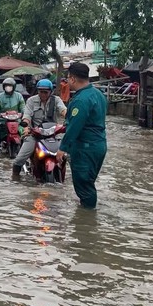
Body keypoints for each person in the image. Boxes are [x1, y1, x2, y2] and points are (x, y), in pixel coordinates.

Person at [56, 62, 107, 208]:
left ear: (72, 79)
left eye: (67, 79)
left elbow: (74, 127)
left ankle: (87, 224)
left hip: (85, 148)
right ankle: (86, 211)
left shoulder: (81, 100)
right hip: (99, 145)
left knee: (84, 187)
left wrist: (62, 148)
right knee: (88, 184)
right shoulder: (98, 94)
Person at [11, 78, 67, 180]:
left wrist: (68, 116)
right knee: (19, 159)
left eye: (45, 92)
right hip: (35, 135)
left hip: (53, 135)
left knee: (69, 154)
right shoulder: (31, 101)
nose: (43, 94)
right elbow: (27, 115)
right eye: (41, 91)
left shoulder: (56, 100)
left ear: (51, 91)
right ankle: (15, 177)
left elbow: (63, 110)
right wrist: (26, 124)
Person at [0, 77, 26, 154]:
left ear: (14, 87)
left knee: (24, 136)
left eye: (10, 86)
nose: (8, 87)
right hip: (3, 121)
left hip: (16, 120)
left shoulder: (18, 96)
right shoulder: (0, 97)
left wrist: (25, 113)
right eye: (6, 86)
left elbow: (23, 106)